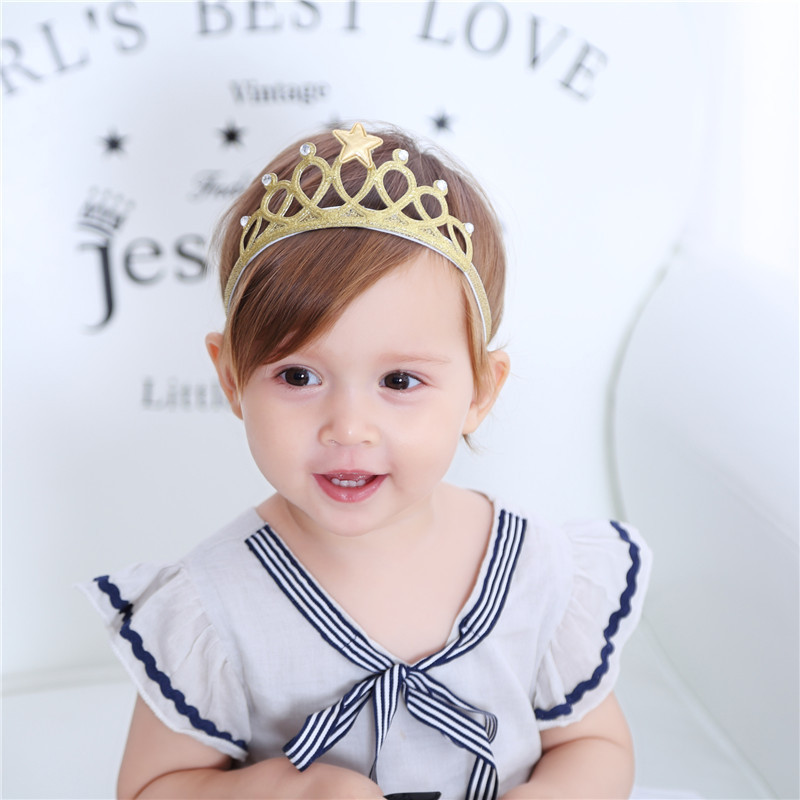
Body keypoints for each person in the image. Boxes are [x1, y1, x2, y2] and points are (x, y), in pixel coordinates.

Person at [82, 122, 651, 800]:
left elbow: (593, 744)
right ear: (232, 378)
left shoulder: (537, 570)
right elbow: (154, 787)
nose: (348, 428)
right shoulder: (213, 604)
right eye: (298, 376)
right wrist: (292, 791)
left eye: (400, 381)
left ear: (480, 391)